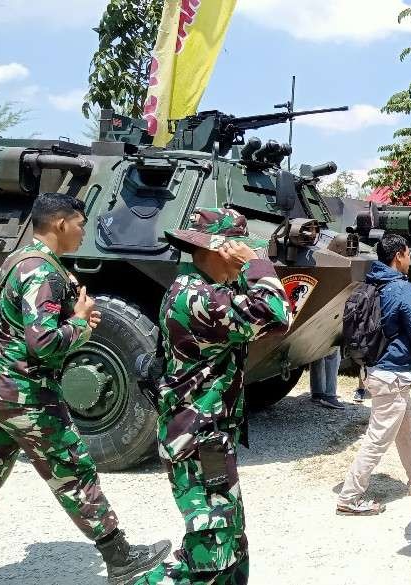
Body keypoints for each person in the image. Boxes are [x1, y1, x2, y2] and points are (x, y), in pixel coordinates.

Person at [0, 193, 170, 585]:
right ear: (61, 223)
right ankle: (120, 559)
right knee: (75, 474)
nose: (85, 230)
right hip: (28, 400)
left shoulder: (22, 260)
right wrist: (80, 322)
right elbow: (43, 343)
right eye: (81, 222)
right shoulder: (40, 271)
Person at [134, 208, 291, 584]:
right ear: (223, 250)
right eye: (239, 246)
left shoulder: (209, 291)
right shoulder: (196, 298)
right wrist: (257, 264)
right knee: (211, 554)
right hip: (195, 441)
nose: (245, 254)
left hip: (209, 439)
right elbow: (276, 314)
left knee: (233, 545)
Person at [336, 234, 411, 515]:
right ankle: (349, 498)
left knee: (407, 426)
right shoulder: (400, 288)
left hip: (378, 369)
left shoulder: (373, 281)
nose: (410, 259)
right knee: (378, 438)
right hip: (393, 374)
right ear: (399, 255)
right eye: (409, 253)